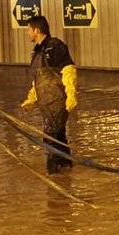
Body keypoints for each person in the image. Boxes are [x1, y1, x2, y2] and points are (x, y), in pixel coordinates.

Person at [20, 15, 77, 174]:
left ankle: (52, 178)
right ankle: (67, 173)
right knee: (59, 137)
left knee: (50, 139)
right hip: (46, 104)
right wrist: (31, 98)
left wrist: (71, 94)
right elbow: (38, 80)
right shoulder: (37, 52)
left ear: (36, 30)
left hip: (57, 103)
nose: (28, 33)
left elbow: (68, 70)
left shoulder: (55, 47)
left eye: (29, 30)